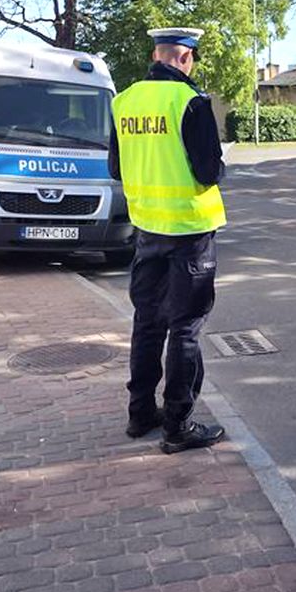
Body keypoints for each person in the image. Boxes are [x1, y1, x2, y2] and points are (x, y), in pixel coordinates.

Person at [108, 26, 227, 454]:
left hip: (147, 232)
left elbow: (117, 170)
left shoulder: (123, 102)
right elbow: (208, 172)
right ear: (184, 58)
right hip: (191, 232)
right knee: (186, 328)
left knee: (148, 323)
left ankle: (140, 414)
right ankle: (178, 423)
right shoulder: (190, 102)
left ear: (157, 55)